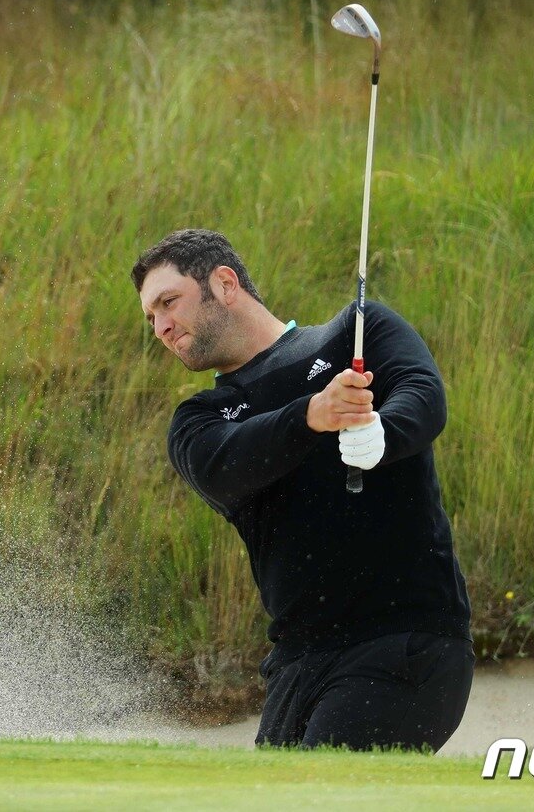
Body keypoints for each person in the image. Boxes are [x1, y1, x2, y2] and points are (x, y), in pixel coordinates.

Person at [131, 228, 473, 752]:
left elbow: (423, 395)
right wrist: (311, 416)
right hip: (297, 665)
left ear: (224, 284)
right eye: (151, 317)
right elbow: (224, 466)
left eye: (168, 302)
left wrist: (383, 431)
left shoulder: (357, 331)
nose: (161, 326)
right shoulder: (198, 421)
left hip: (403, 640)